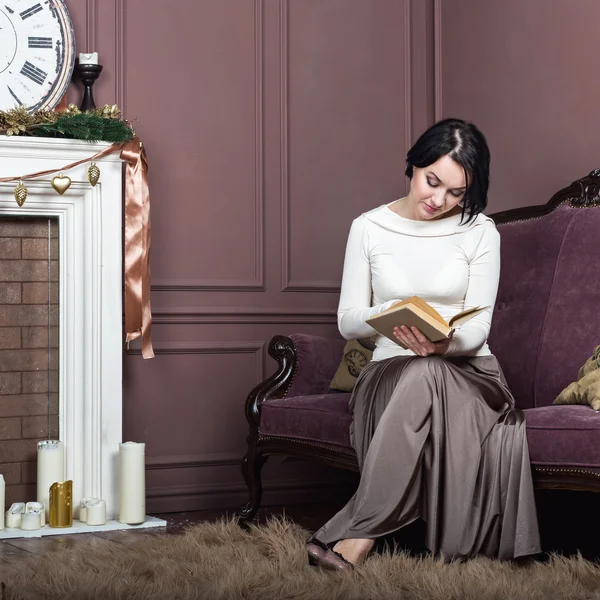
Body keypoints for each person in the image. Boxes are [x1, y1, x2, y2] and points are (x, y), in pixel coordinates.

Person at [306, 118, 541, 571]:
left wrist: (445, 343)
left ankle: (353, 538)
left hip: (470, 376)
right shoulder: (369, 227)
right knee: (418, 371)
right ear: (413, 164)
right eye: (433, 182)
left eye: (456, 193)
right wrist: (391, 314)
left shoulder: (481, 232)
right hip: (389, 373)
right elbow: (348, 321)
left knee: (429, 368)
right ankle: (353, 537)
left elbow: (479, 327)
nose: (440, 200)